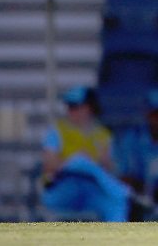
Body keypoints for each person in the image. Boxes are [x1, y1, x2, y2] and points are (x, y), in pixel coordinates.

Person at [40, 86, 134, 222]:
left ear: (89, 107)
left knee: (117, 204)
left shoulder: (103, 134)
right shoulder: (57, 131)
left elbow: (111, 170)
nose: (71, 111)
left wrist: (103, 163)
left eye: (76, 106)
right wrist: (76, 162)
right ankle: (123, 192)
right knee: (81, 162)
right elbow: (49, 166)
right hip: (63, 188)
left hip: (92, 189)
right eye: (69, 107)